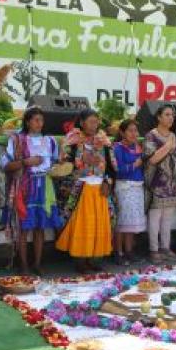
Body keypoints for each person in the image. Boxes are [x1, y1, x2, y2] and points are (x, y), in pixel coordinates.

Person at [0, 106, 63, 275]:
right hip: (25, 187)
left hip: (45, 186)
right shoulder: (17, 140)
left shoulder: (50, 141)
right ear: (27, 122)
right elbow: (5, 165)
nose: (39, 123)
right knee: (23, 227)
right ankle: (23, 264)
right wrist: (26, 162)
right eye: (36, 120)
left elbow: (56, 163)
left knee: (40, 228)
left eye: (41, 120)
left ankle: (37, 263)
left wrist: (58, 167)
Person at [56, 109, 115, 273]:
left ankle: (91, 258)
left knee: (97, 225)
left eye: (96, 122)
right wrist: (81, 160)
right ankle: (80, 260)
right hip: (80, 187)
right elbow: (64, 164)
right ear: (81, 122)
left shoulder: (104, 140)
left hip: (99, 188)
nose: (94, 125)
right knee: (82, 225)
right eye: (91, 122)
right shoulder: (72, 139)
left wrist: (107, 182)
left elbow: (111, 165)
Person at [144, 105, 176, 263]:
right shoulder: (151, 136)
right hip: (157, 182)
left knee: (168, 218)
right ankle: (153, 250)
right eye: (167, 114)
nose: (171, 118)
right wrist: (168, 146)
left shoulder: (175, 135)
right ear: (159, 117)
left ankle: (165, 248)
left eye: (172, 115)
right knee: (155, 217)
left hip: (173, 183)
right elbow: (152, 159)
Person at [113, 119, 147, 265]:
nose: (134, 134)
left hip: (137, 187)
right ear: (122, 132)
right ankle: (118, 252)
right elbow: (118, 170)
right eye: (130, 130)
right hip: (124, 187)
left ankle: (129, 251)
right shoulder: (117, 148)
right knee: (121, 222)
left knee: (131, 223)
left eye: (136, 131)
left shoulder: (138, 147)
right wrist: (135, 164)